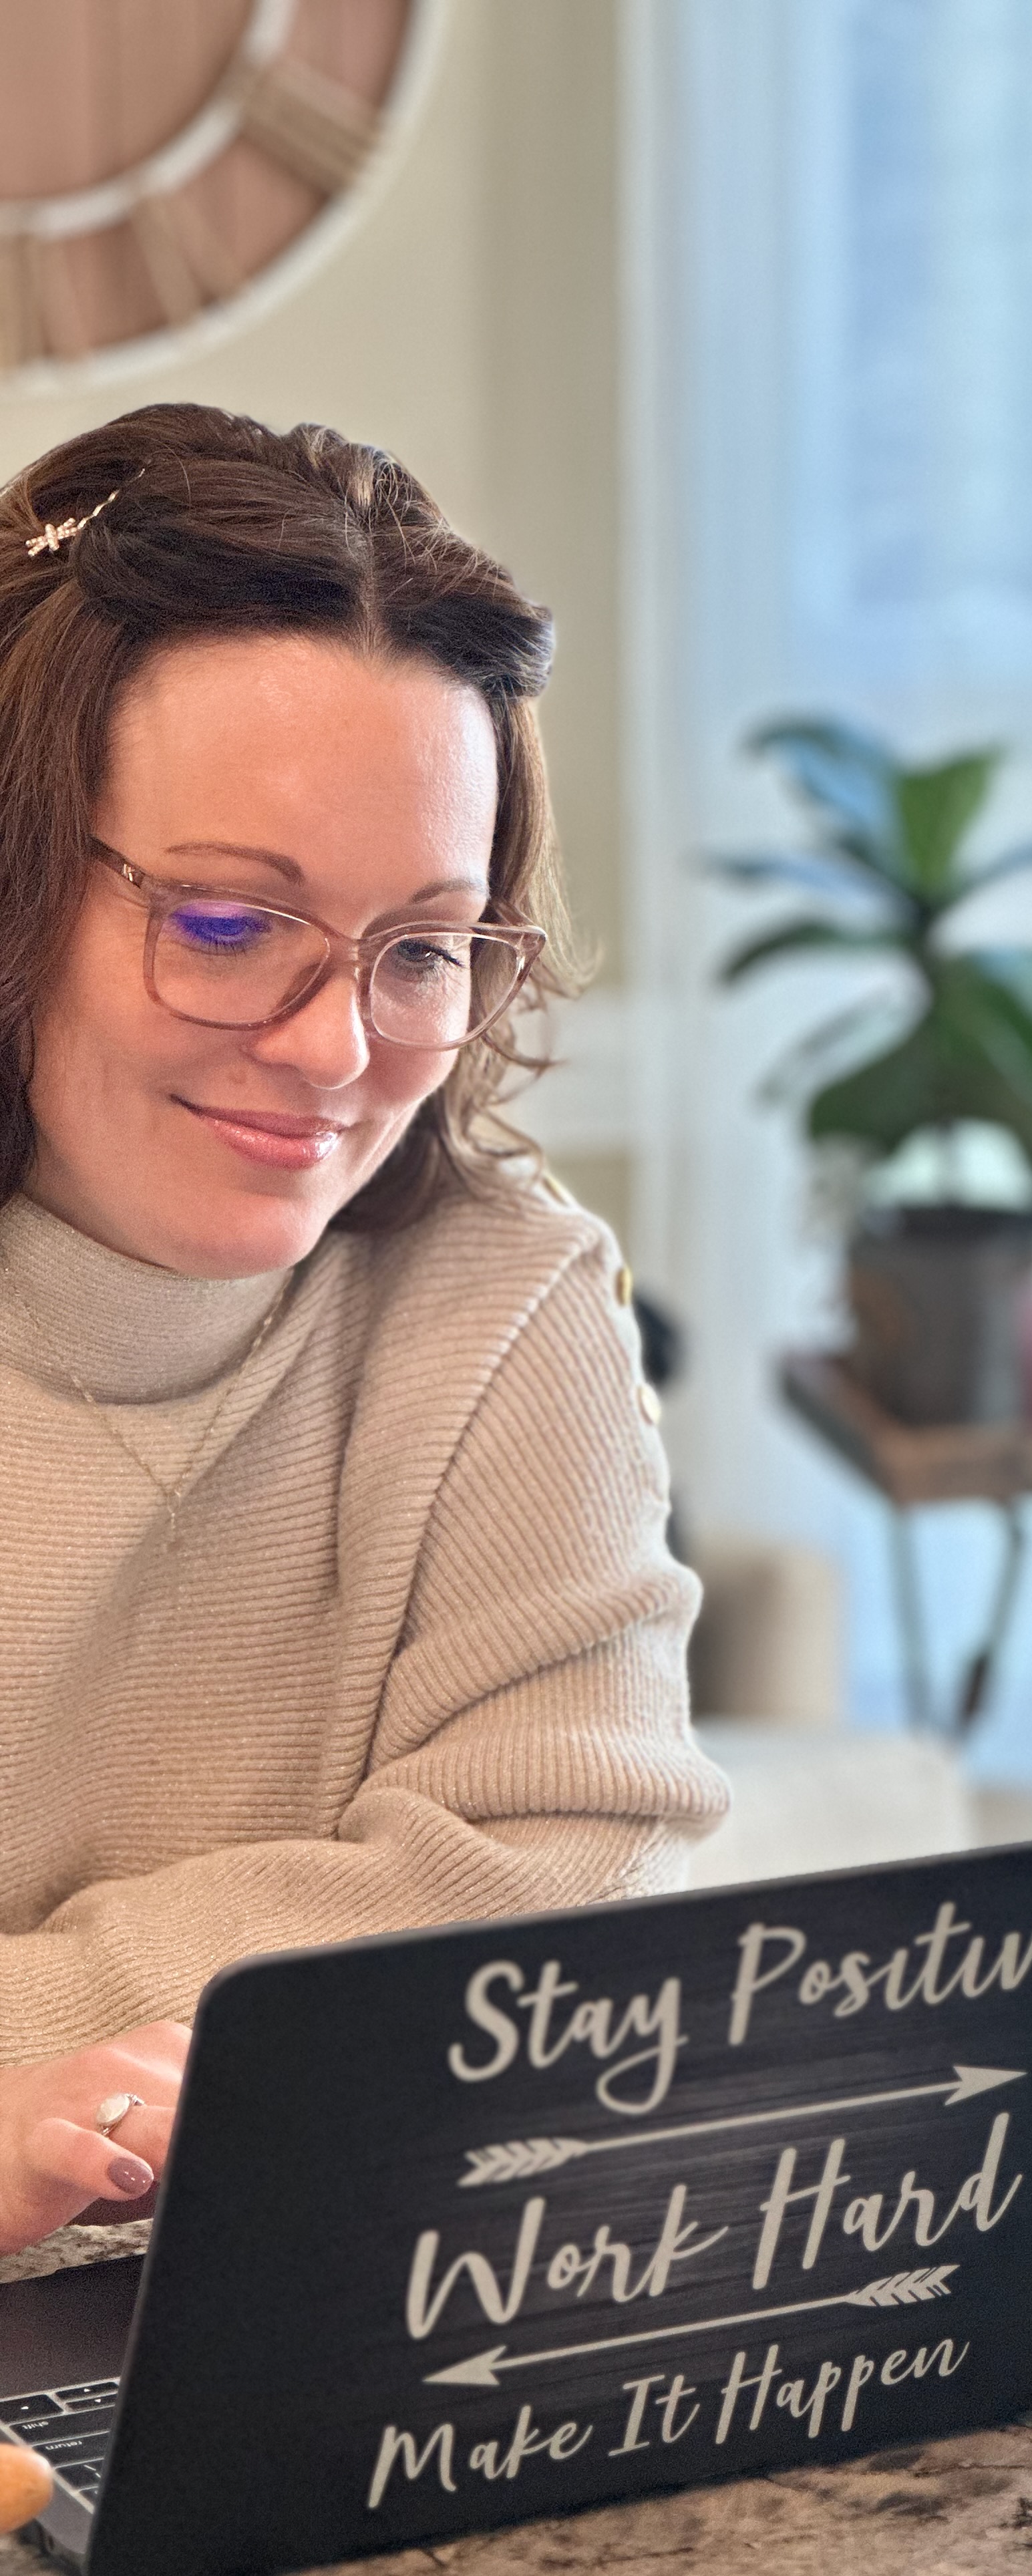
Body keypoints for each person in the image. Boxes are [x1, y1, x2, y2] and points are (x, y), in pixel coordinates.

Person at [0, 404, 727, 2254]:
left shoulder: (502, 1309)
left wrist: (51, 2082)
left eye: (421, 947)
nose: (338, 1055)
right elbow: (439, 1972)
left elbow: (567, 1912)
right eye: (233, 921)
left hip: (339, 2316)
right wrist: (300, 1986)